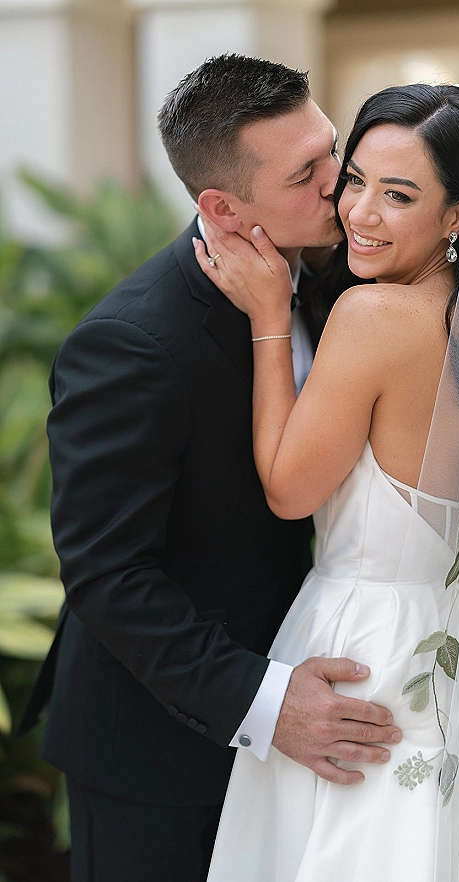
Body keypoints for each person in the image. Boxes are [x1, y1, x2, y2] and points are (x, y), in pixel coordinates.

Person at [17, 55, 402, 882]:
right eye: (308, 174)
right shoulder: (132, 344)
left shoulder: (347, 264)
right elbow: (109, 573)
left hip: (316, 719)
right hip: (155, 756)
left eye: (332, 148)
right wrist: (266, 703)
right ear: (223, 208)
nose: (342, 185)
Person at [196, 84, 459, 881]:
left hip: (361, 646)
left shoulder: (375, 318)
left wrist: (270, 316)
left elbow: (290, 491)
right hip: (455, 647)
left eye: (398, 194)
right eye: (356, 180)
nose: (360, 213)